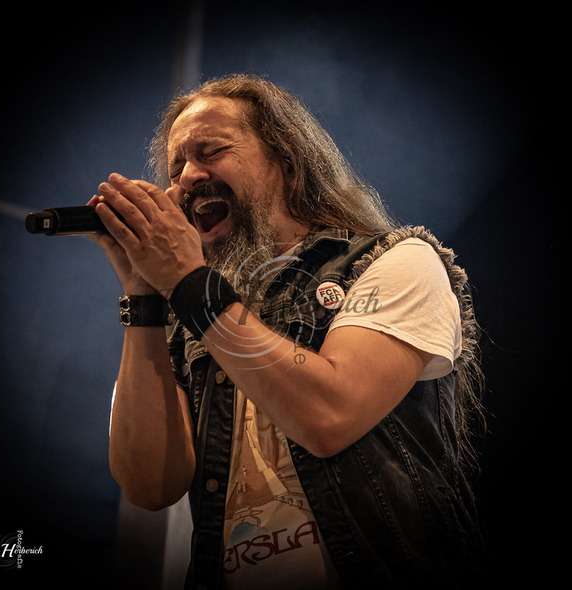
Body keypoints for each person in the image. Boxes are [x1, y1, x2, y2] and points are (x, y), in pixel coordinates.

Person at [89, 74, 486, 589]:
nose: (187, 177)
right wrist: (143, 299)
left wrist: (189, 284)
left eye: (211, 152)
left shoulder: (394, 262)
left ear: (287, 159)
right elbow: (149, 486)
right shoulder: (191, 318)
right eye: (176, 168)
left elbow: (329, 417)